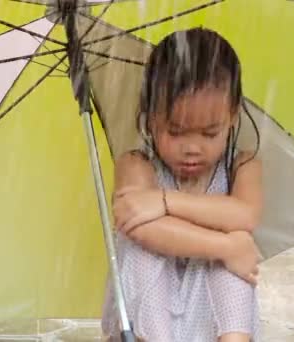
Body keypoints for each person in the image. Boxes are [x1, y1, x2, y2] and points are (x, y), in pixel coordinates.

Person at [101, 28, 262, 342]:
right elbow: (140, 228)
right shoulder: (137, 163)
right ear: (149, 118)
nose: (192, 148)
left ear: (232, 115)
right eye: (175, 132)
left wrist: (164, 201)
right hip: (149, 314)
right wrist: (224, 247)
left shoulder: (242, 164)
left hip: (209, 304)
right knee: (141, 247)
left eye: (209, 133)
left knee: (236, 240)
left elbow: (245, 215)